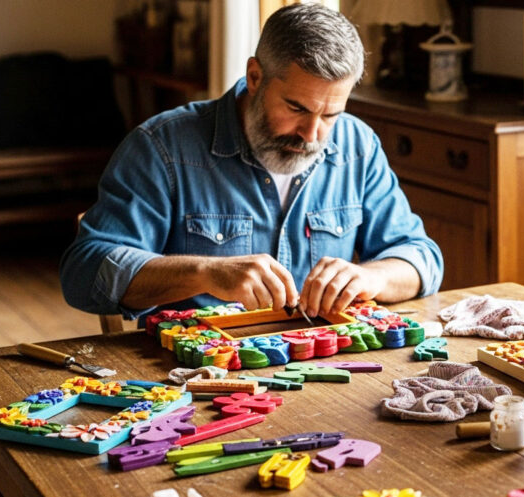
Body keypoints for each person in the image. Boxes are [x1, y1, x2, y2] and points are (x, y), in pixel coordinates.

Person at [61, 4, 443, 322]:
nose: (312, 135)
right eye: (297, 108)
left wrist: (372, 277)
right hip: (198, 371)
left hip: (326, 366)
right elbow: (83, 273)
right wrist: (204, 273)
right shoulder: (162, 147)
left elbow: (422, 258)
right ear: (255, 76)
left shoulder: (357, 145)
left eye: (330, 115)